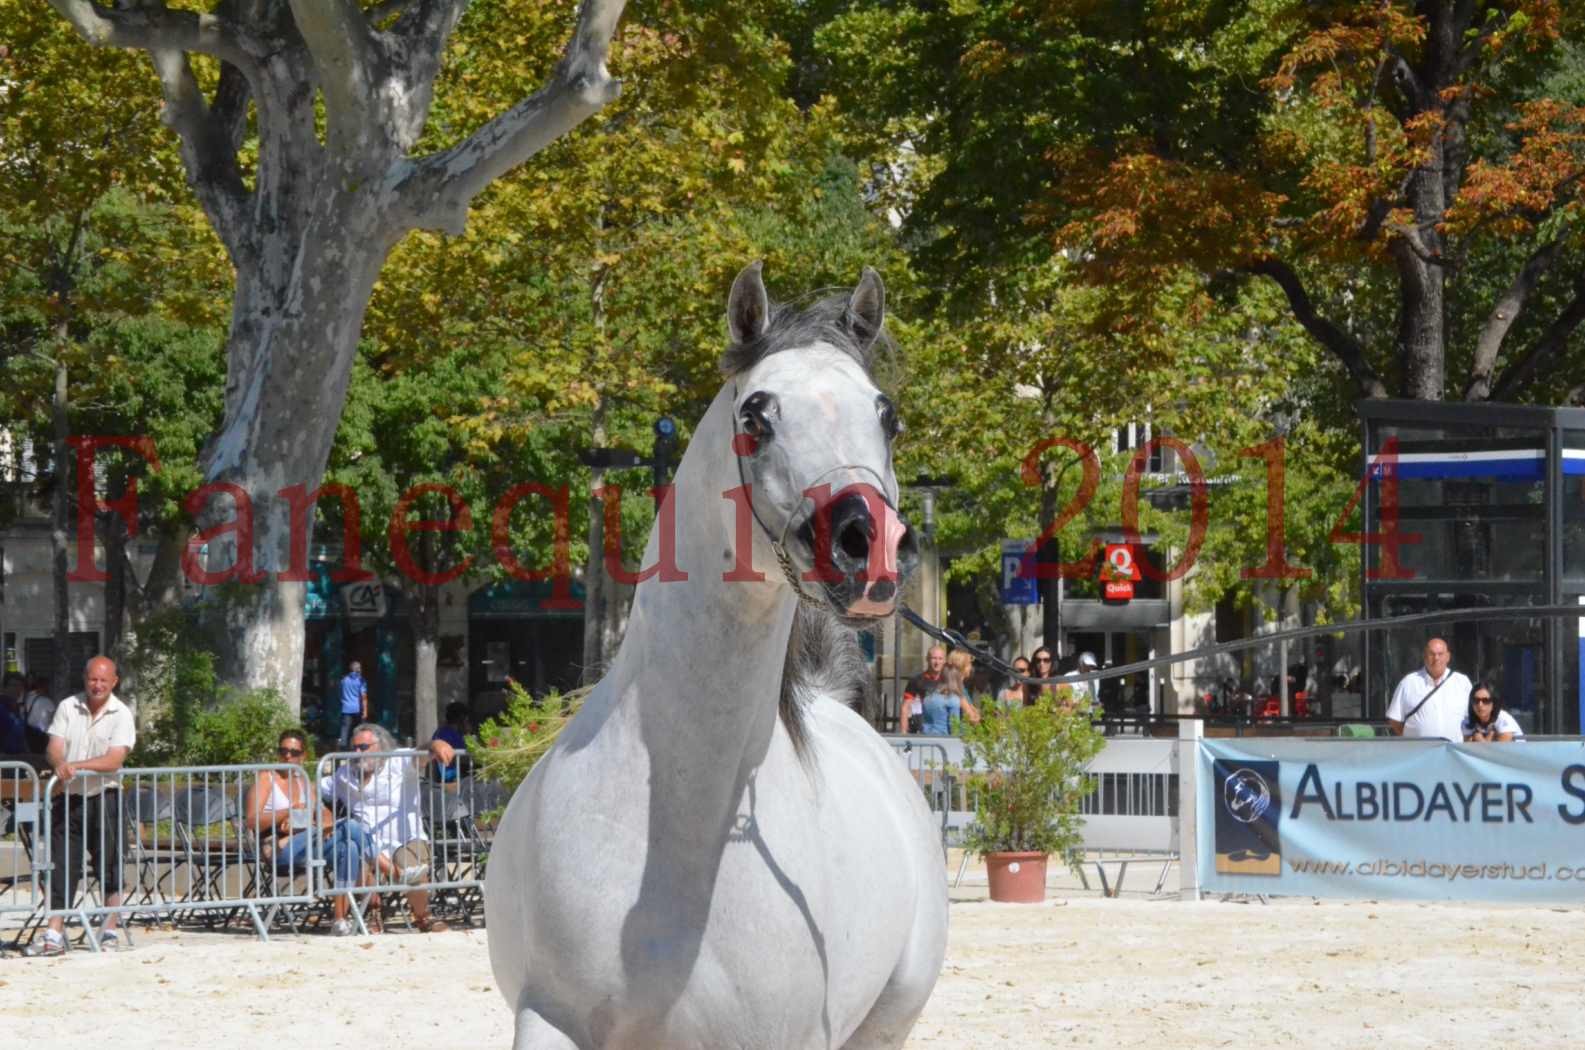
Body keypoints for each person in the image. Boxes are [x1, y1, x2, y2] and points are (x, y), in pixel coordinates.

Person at [34, 656, 135, 956]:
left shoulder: (122, 714)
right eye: (93, 679)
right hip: (69, 799)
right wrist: (59, 763)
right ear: (85, 678)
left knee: (110, 865)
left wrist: (73, 766)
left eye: (104, 680)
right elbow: (54, 746)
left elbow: (114, 760)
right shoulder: (67, 706)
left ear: (114, 681)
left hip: (106, 797)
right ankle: (54, 931)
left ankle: (109, 930)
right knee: (62, 864)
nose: (98, 685)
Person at [320, 722, 453, 933]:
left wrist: (435, 744)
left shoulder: (398, 760)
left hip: (406, 837)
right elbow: (315, 789)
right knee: (358, 854)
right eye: (354, 747)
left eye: (363, 747)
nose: (357, 752)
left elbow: (421, 753)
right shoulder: (345, 773)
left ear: (380, 747)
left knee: (410, 863)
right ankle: (373, 912)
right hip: (367, 841)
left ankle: (423, 916)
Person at [243, 728, 373, 935]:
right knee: (351, 827)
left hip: (308, 841)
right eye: (283, 750)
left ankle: (339, 919)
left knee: (347, 847)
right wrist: (287, 812)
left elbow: (322, 812)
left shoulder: (303, 780)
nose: (287, 756)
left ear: (303, 756)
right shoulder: (267, 778)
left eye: (294, 752)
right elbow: (251, 821)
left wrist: (326, 823)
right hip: (278, 847)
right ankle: (382, 869)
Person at [1385, 637, 1471, 742]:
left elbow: (1471, 718)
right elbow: (1395, 720)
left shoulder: (1462, 682)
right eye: (1432, 654)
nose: (1436, 658)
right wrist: (1411, 740)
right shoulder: (1408, 682)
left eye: (1440, 654)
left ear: (1448, 657)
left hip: (1453, 753)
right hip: (1419, 754)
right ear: (1424, 657)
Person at [919, 666, 980, 736]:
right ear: (957, 680)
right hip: (944, 741)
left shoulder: (927, 699)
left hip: (926, 739)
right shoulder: (953, 700)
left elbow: (925, 723)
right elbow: (954, 728)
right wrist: (969, 730)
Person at [900, 645, 946, 733]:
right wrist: (903, 732)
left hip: (944, 730)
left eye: (940, 659)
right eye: (934, 658)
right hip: (923, 728)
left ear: (944, 661)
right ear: (927, 659)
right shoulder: (916, 680)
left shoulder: (948, 681)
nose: (937, 662)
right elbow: (905, 707)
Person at [431, 701, 470, 783]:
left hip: (438, 777)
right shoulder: (454, 735)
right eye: (466, 720)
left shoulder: (439, 731)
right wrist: (467, 734)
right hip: (451, 777)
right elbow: (466, 758)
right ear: (462, 719)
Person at [337, 660, 369, 749]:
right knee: (358, 729)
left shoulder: (344, 680)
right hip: (357, 709)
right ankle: (358, 748)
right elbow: (364, 697)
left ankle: (343, 750)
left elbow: (340, 694)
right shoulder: (361, 681)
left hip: (346, 708)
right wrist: (365, 711)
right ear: (358, 669)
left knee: (345, 730)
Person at [22, 676, 56, 754]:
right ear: (44, 687)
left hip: (30, 732)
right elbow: (54, 718)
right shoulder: (47, 701)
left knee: (33, 754)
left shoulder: (28, 698)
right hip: (43, 734)